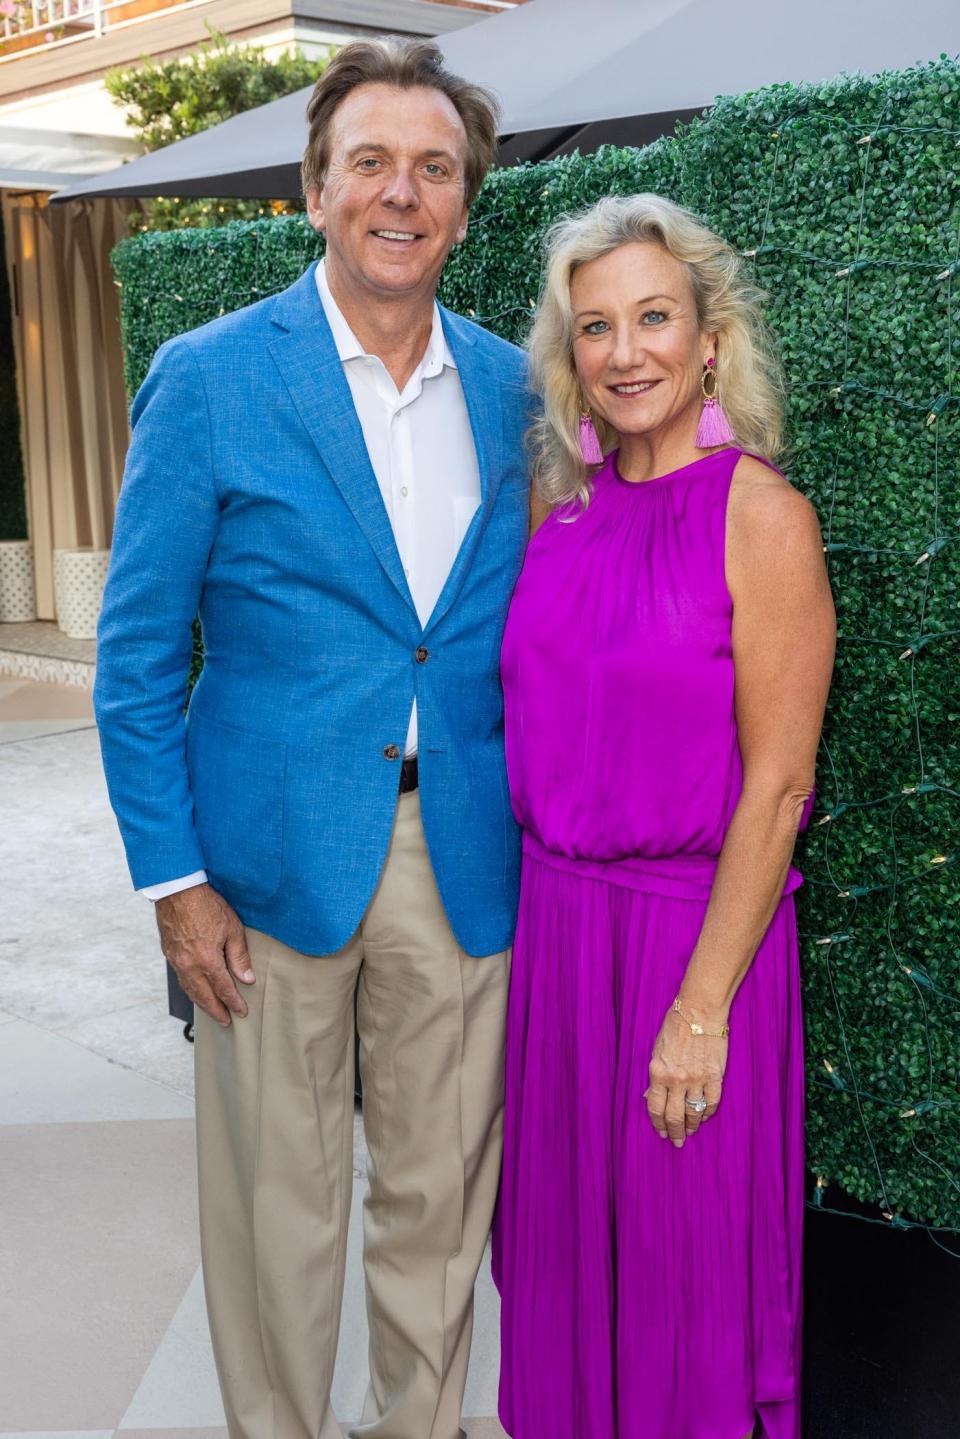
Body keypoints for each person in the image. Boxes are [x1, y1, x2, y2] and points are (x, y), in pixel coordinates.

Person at [94, 38, 531, 1439]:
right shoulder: (211, 377)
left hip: (461, 850)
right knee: (276, 1207)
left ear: (467, 203)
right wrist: (174, 881)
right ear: (314, 187)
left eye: (434, 169)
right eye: (371, 164)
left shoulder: (525, 394)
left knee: (438, 1201)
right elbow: (139, 655)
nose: (401, 193)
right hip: (264, 874)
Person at [492, 194, 836, 1439]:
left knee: (685, 1291)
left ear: (707, 338)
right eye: (595, 327)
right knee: (565, 1272)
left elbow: (780, 786)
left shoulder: (760, 515)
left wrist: (701, 1008)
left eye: (653, 317)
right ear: (567, 353)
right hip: (560, 952)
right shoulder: (560, 512)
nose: (625, 351)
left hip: (693, 950)